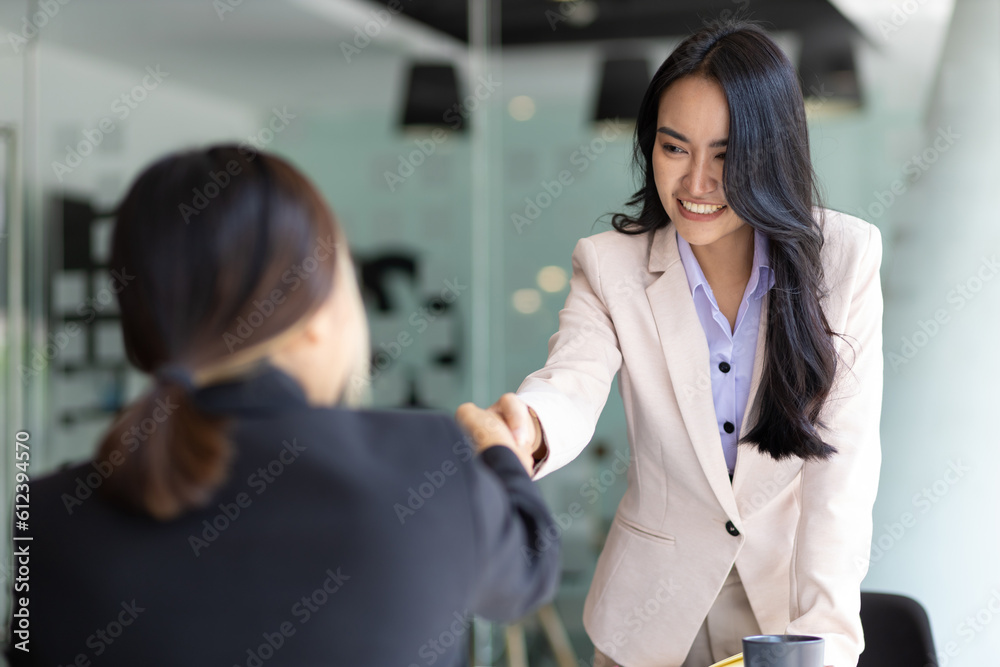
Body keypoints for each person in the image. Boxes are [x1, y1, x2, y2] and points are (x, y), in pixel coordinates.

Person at [8, 146, 559, 666]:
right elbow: (531, 568)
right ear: (312, 322)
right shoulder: (428, 468)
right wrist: (498, 454)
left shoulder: (48, 519)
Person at [473, 20, 882, 667]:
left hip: (782, 616)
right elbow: (572, 382)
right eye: (673, 147)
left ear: (770, 153)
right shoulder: (611, 265)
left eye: (725, 154)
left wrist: (824, 637)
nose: (695, 182)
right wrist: (529, 428)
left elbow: (843, 472)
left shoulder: (845, 259)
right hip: (648, 617)